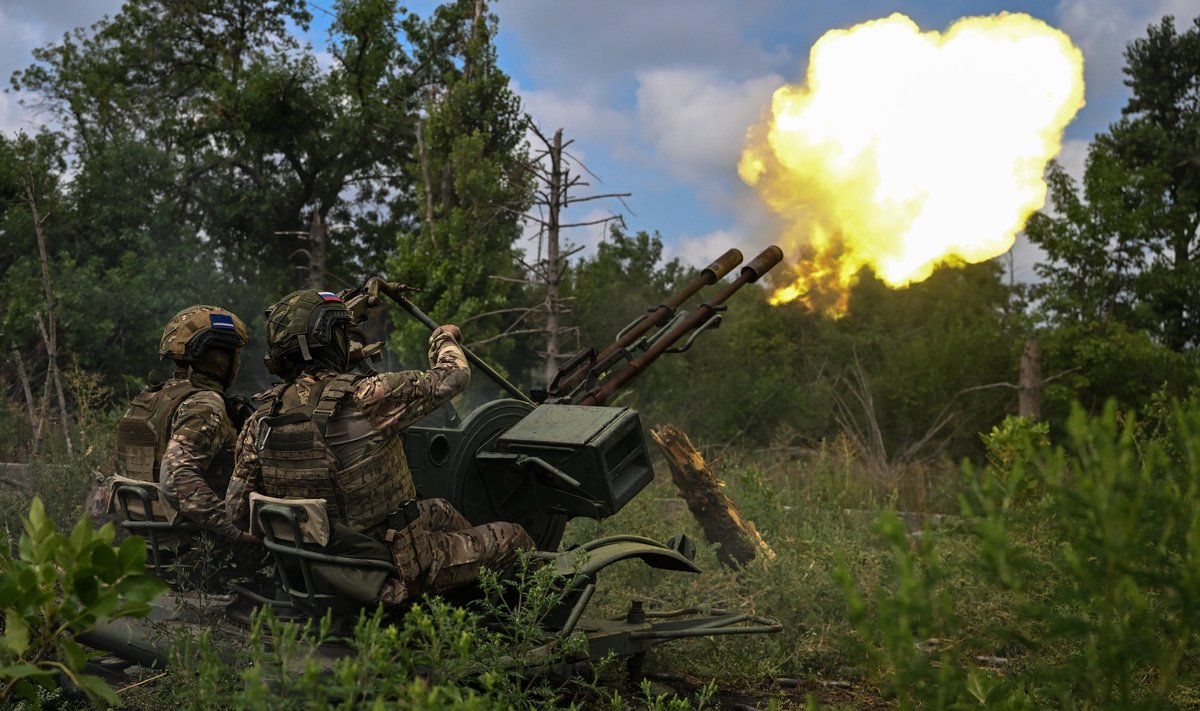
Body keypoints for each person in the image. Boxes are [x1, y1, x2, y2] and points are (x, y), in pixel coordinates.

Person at [225, 289, 534, 604]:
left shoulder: (260, 419)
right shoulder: (368, 396)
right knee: (515, 536)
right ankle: (493, 614)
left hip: (313, 566)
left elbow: (236, 510)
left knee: (440, 510)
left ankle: (462, 590)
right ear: (329, 337)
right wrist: (443, 338)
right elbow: (454, 375)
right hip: (389, 567)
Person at [113, 305, 260, 582]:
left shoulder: (148, 400)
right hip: (193, 548)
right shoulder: (205, 403)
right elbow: (177, 479)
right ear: (219, 358)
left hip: (148, 545)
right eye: (233, 354)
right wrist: (234, 531)